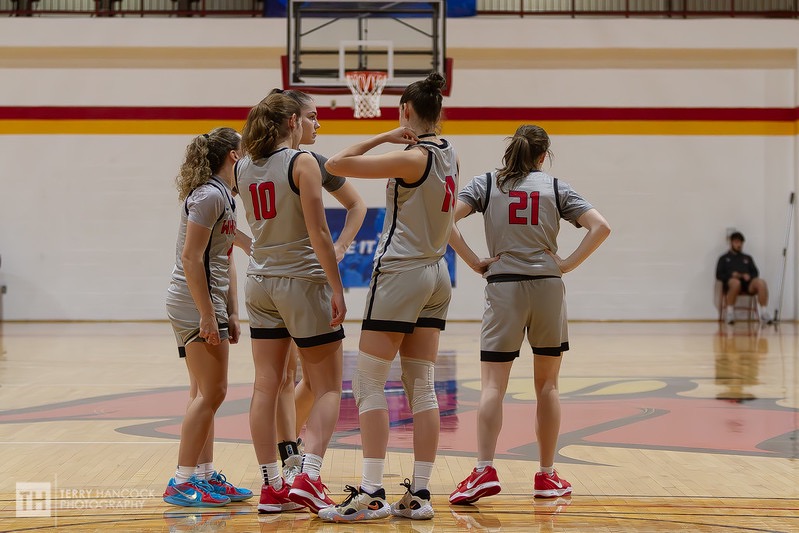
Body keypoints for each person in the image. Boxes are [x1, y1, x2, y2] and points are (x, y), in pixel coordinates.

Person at [446, 124, 610, 504]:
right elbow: (601, 227)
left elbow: (444, 222)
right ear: (542, 156)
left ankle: (483, 470)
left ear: (510, 151)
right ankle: (546, 476)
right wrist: (566, 264)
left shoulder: (486, 183)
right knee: (548, 386)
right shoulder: (556, 187)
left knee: (492, 386)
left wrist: (474, 261)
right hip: (547, 287)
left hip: (503, 286)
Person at [318, 72, 455, 523]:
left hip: (401, 273)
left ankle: (372, 493)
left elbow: (336, 163)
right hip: (437, 274)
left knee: (368, 383)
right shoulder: (450, 153)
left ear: (406, 112)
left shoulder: (411, 158)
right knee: (422, 386)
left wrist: (383, 136)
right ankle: (419, 495)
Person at [237, 92, 347, 514]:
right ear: (291, 123)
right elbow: (319, 232)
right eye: (307, 118)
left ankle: (272, 486)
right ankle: (310, 478)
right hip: (301, 281)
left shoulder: (244, 165)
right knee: (328, 387)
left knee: (265, 386)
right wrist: (336, 287)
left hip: (259, 282)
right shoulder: (302, 163)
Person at [267, 89, 367, 487]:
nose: (318, 123)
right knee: (288, 378)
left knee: (309, 380)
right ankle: (292, 460)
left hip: (292, 280)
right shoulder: (263, 161)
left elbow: (357, 205)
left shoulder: (313, 162)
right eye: (312, 116)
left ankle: (290, 460)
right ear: (293, 119)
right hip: (289, 281)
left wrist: (341, 247)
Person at [163, 127, 254, 507]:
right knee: (214, 392)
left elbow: (226, 254)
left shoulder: (223, 196)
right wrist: (206, 313)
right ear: (234, 155)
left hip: (207, 301)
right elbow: (190, 257)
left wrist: (231, 310)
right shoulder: (208, 196)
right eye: (245, 149)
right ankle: (181, 481)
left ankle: (203, 475)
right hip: (193, 301)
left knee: (203, 393)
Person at [716, 231, 772, 324]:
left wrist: (749, 276)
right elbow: (719, 275)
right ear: (731, 243)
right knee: (735, 282)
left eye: (741, 243)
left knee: (761, 282)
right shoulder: (723, 258)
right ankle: (729, 313)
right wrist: (731, 275)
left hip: (747, 284)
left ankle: (764, 313)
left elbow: (755, 272)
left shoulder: (747, 257)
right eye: (736, 242)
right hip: (731, 285)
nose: (739, 245)